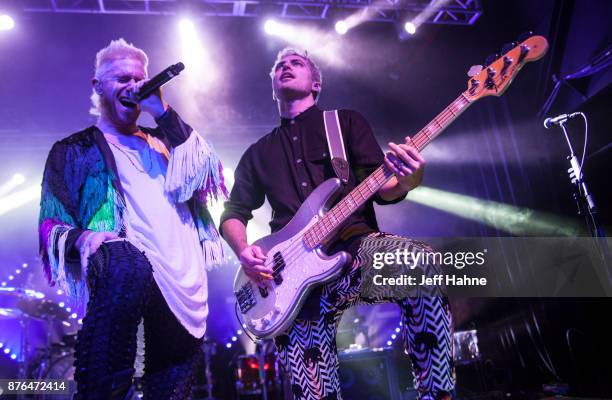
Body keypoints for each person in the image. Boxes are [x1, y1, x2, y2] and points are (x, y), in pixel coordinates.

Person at [220, 48, 455, 400]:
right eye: (279, 66)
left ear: (316, 83)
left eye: (295, 63)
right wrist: (243, 252)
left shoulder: (344, 123)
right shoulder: (258, 152)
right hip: (288, 277)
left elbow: (383, 188)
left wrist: (409, 180)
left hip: (356, 250)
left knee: (418, 262)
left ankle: (437, 392)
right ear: (272, 86)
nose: (285, 66)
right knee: (312, 387)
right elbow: (233, 213)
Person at [38, 38, 226, 399]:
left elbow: (207, 173)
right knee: (125, 266)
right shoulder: (74, 150)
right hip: (126, 272)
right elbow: (50, 226)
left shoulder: (166, 142)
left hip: (185, 284)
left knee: (173, 385)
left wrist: (163, 112)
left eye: (138, 79)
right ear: (98, 86)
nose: (133, 86)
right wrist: (84, 238)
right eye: (122, 79)